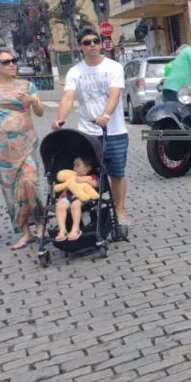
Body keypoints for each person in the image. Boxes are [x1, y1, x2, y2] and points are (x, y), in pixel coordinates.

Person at [53, 28, 131, 233]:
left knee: (117, 173)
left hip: (114, 132)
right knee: (86, 172)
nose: (93, 45)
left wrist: (105, 115)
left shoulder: (113, 67)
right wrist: (59, 119)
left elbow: (114, 95)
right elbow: (68, 97)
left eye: (96, 41)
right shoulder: (75, 72)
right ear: (80, 47)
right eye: (87, 42)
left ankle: (120, 212)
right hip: (87, 133)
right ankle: (86, 207)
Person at [0, 49, 47, 250]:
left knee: (30, 182)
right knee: (12, 191)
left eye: (14, 60)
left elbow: (39, 112)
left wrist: (34, 101)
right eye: (6, 62)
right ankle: (25, 233)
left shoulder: (27, 86)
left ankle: (40, 226)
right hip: (1, 149)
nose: (12, 64)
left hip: (26, 143)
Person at [54, 156, 98, 242]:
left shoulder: (91, 176)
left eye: (77, 165)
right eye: (73, 165)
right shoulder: (70, 177)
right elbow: (66, 186)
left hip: (81, 198)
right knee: (59, 206)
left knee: (75, 204)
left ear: (88, 168)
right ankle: (62, 230)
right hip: (68, 196)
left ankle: (75, 228)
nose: (74, 168)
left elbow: (95, 184)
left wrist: (84, 180)